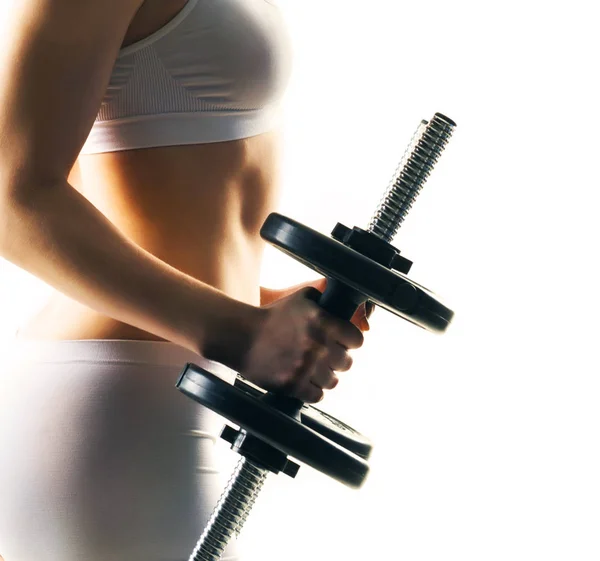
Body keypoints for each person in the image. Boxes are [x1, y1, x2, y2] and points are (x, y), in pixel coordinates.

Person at [0, 0, 371, 559]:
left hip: (192, 387)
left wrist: (262, 308)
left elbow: (95, 182)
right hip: (115, 406)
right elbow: (12, 202)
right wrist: (241, 332)